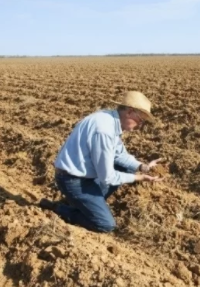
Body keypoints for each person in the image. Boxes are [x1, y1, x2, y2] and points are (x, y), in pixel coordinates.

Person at [39, 91, 164, 233]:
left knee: (127, 168)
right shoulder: (104, 130)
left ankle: (86, 204)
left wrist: (143, 167)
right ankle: (60, 209)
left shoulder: (109, 119)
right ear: (130, 112)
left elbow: (119, 155)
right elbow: (107, 177)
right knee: (105, 224)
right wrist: (138, 177)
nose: (140, 126)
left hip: (85, 175)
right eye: (140, 120)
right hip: (72, 180)